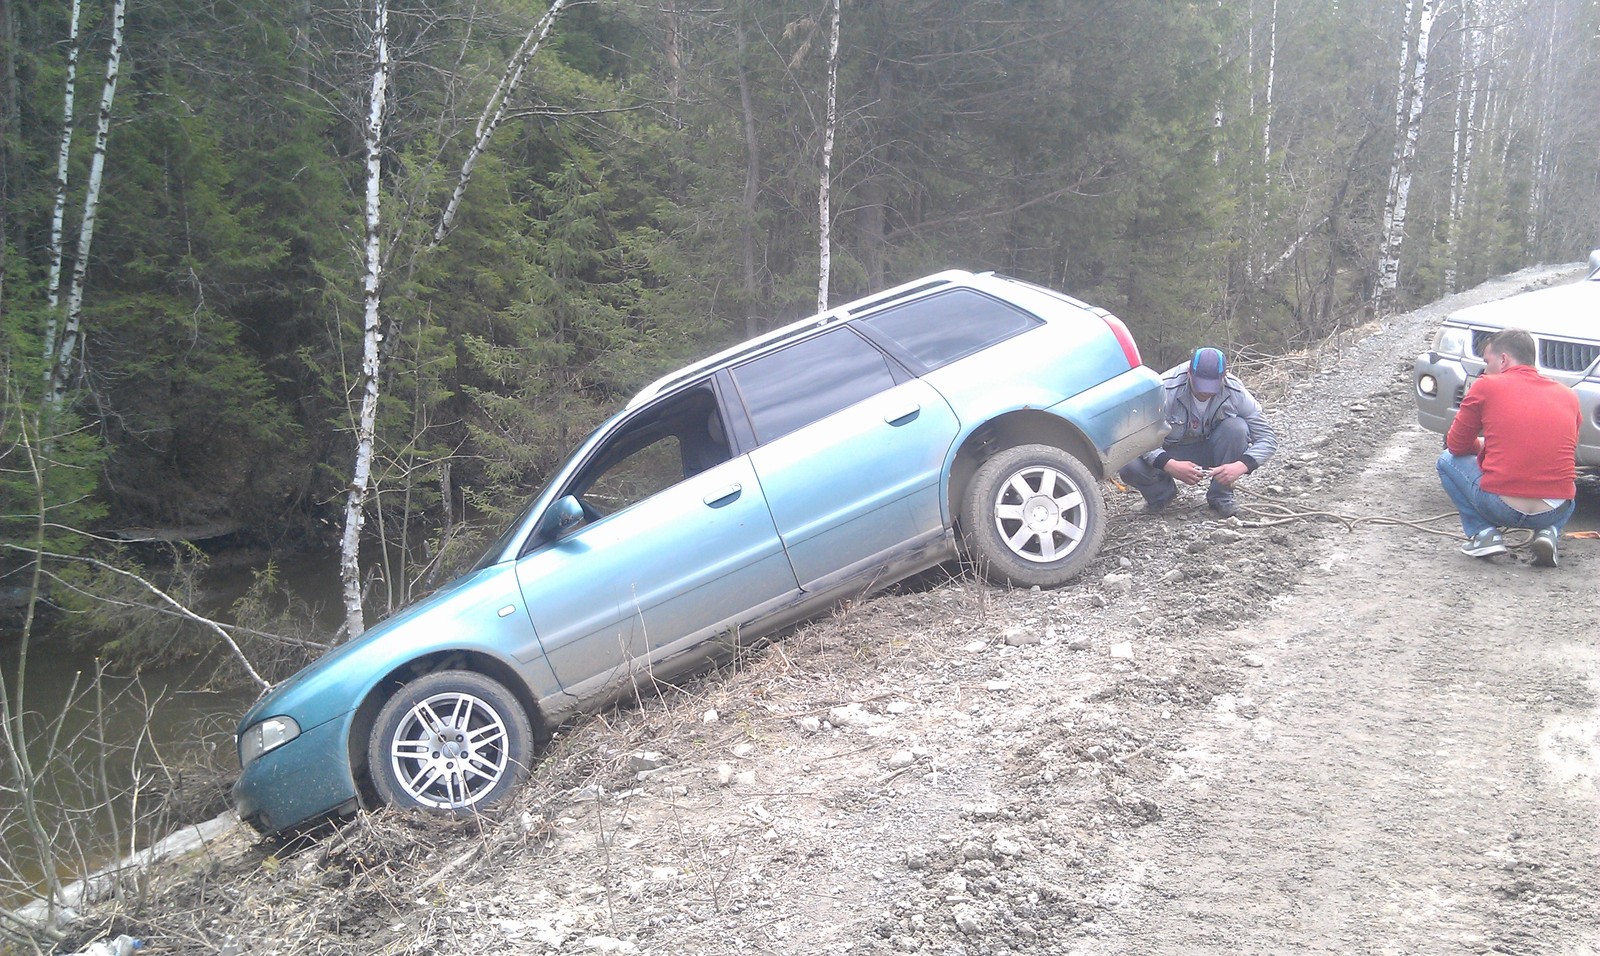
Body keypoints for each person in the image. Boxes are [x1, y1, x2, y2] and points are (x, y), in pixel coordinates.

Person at [1436, 328, 1578, 567]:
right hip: (1555, 509)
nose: (1485, 369)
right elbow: (1555, 450)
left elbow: (1456, 445)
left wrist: (1481, 447)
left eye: (1487, 361)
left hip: (1500, 507)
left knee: (1446, 460)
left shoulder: (1485, 386)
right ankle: (1548, 533)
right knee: (1564, 478)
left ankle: (1483, 534)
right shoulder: (1569, 396)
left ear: (1503, 359)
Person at [1119, 346, 1277, 518]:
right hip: (1170, 450)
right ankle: (1162, 495)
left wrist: (1241, 466)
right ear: (1189, 373)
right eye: (1200, 384)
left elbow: (1267, 438)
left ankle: (1221, 496)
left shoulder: (1236, 392)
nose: (1205, 392)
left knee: (1237, 428)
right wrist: (1168, 463)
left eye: (1212, 386)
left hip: (1211, 448)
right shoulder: (1164, 389)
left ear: (1223, 376)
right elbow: (1136, 436)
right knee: (1129, 464)